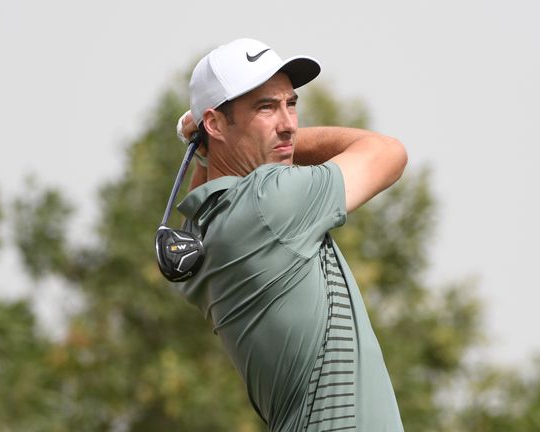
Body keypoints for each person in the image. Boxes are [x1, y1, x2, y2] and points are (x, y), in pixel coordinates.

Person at [173, 38, 407, 431]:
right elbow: (387, 152)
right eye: (266, 107)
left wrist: (207, 143)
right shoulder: (268, 201)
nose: (289, 124)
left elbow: (208, 180)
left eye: (291, 104)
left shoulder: (202, 231)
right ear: (214, 123)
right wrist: (210, 140)